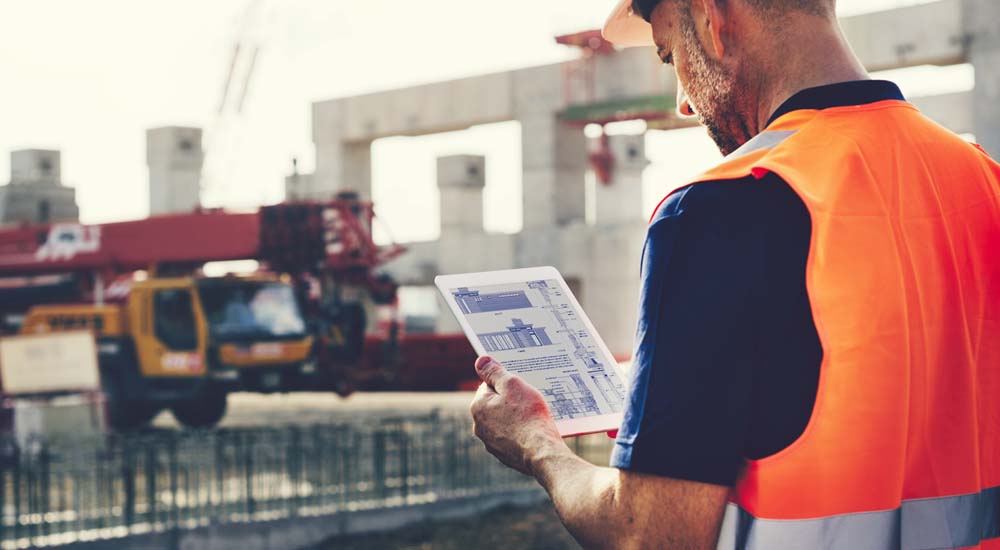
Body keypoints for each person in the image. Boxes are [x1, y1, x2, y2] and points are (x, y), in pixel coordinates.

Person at [469, 0, 1000, 548]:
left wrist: (537, 442)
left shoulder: (721, 207)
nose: (680, 102)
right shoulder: (983, 177)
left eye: (670, 54)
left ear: (710, 20)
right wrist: (669, 385)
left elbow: (650, 532)